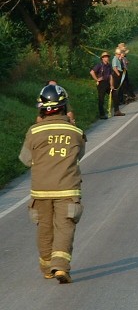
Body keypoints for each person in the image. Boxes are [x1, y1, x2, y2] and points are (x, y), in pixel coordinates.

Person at [19, 84, 86, 283]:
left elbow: (25, 159)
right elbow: (79, 155)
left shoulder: (34, 131)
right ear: (64, 106)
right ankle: (60, 266)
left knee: (45, 228)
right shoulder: (75, 131)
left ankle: (47, 267)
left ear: (41, 108)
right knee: (65, 226)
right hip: (67, 187)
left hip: (40, 190)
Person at [89, 51, 124, 118]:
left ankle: (117, 111)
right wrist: (97, 79)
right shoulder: (99, 65)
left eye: (107, 57)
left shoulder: (109, 65)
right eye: (105, 57)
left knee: (115, 95)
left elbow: (110, 75)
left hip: (108, 83)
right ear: (102, 58)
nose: (107, 58)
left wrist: (111, 85)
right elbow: (92, 72)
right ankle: (102, 114)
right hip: (101, 83)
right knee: (101, 98)